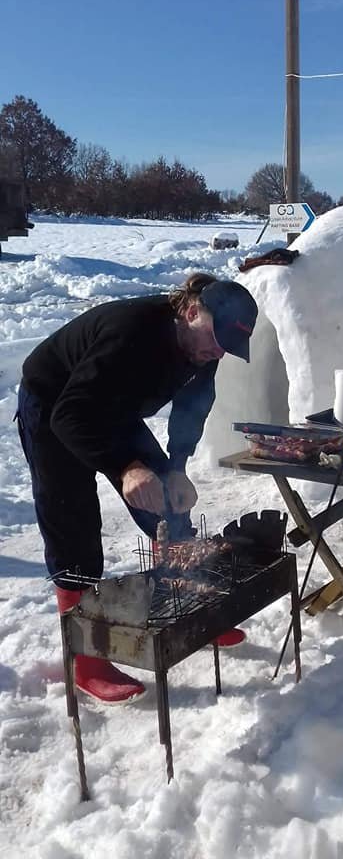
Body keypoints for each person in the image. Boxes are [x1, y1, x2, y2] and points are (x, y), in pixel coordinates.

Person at [16, 273, 258, 703]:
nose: (217, 351)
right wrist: (125, 468)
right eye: (215, 339)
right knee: (73, 525)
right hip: (56, 407)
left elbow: (192, 408)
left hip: (112, 407)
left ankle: (190, 611)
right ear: (190, 312)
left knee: (170, 502)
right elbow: (71, 415)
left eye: (226, 347)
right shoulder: (130, 333)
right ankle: (84, 660)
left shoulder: (205, 345)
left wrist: (177, 466)